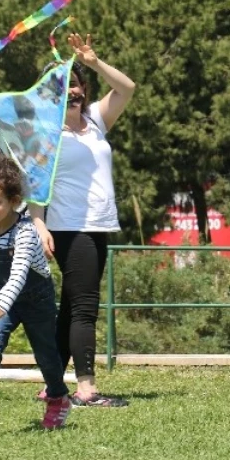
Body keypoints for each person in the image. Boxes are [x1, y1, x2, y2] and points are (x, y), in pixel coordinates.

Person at [29, 33, 136, 408]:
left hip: (98, 224)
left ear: (82, 87)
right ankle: (86, 389)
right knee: (85, 307)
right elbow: (35, 186)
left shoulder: (95, 122)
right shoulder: (44, 135)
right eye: (60, 86)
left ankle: (52, 385)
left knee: (73, 305)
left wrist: (92, 61)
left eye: (73, 83)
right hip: (68, 226)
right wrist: (38, 224)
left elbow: (127, 88)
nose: (69, 91)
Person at [0, 155, 72, 431]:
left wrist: (0, 303)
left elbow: (19, 273)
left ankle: (58, 399)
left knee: (46, 356)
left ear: (13, 201)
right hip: (6, 300)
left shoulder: (25, 232)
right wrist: (0, 302)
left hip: (37, 302)